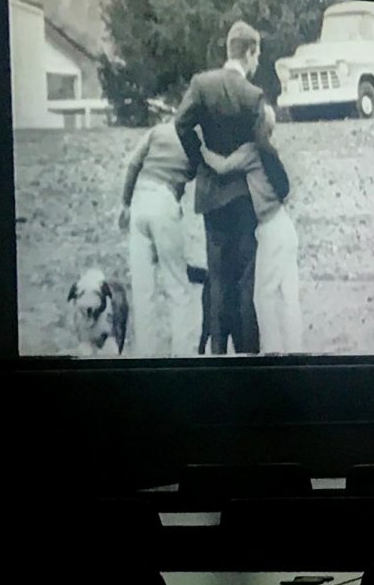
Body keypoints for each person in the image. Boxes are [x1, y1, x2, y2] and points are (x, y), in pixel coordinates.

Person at [174, 20, 264, 355]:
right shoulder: (252, 95)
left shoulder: (201, 85)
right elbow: (260, 149)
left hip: (211, 195)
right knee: (244, 281)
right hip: (244, 196)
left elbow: (181, 124)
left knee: (218, 278)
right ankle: (247, 354)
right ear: (249, 52)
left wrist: (200, 161)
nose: (256, 64)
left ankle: (217, 354)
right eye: (256, 56)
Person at [198, 103, 303, 353]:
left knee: (262, 297)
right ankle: (296, 349)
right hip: (284, 225)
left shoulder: (251, 151)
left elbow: (221, 167)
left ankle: (272, 351)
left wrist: (200, 146)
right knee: (288, 295)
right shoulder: (269, 151)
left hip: (269, 229)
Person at [118, 116, 197, 357]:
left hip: (141, 199)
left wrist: (125, 203)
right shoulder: (196, 140)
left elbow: (132, 164)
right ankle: (183, 354)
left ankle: (146, 355)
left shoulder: (157, 131)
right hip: (165, 200)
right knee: (178, 286)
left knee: (143, 290)